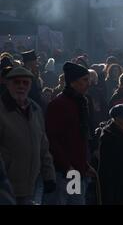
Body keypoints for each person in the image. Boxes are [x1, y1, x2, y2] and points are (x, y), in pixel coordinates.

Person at [0, 67, 56, 205]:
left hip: (30, 186)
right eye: (17, 82)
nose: (21, 86)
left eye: (25, 83)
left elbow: (43, 145)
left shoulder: (35, 109)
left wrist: (49, 175)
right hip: (5, 186)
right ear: (8, 84)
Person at [46, 62, 93, 205]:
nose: (88, 83)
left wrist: (84, 165)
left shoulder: (81, 102)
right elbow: (52, 139)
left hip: (77, 168)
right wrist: (67, 165)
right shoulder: (58, 104)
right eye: (85, 80)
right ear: (73, 81)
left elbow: (80, 138)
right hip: (65, 170)